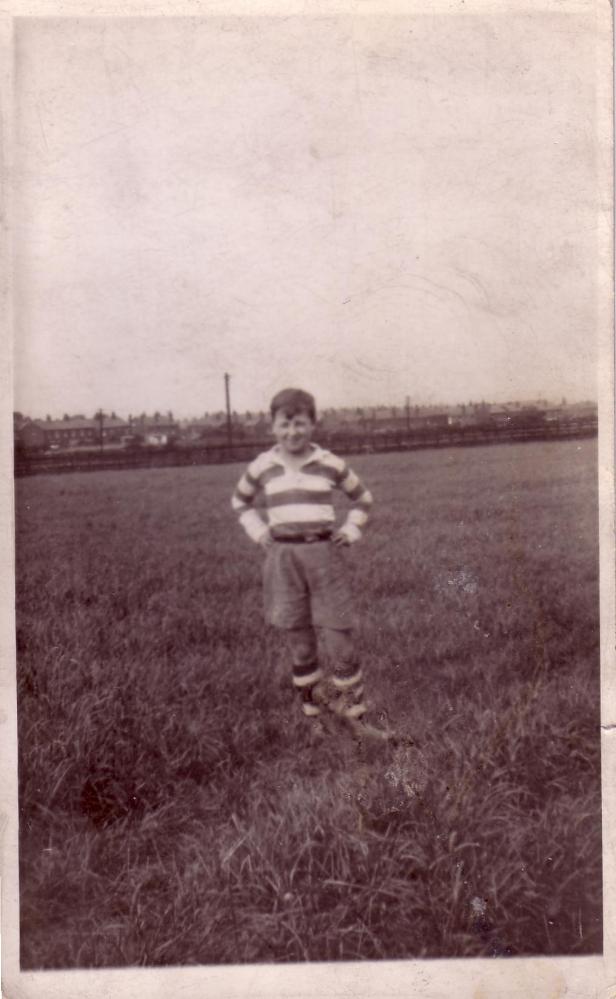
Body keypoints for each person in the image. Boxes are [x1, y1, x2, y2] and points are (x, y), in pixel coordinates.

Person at [231, 387, 389, 740]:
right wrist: (258, 531)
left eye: (300, 424)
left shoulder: (329, 463)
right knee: (301, 645)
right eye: (284, 425)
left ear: (312, 424)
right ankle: (314, 719)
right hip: (283, 560)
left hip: (323, 558)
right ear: (272, 426)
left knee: (340, 643)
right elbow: (240, 501)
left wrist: (350, 530)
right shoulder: (262, 466)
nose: (292, 433)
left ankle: (357, 719)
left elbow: (363, 499)